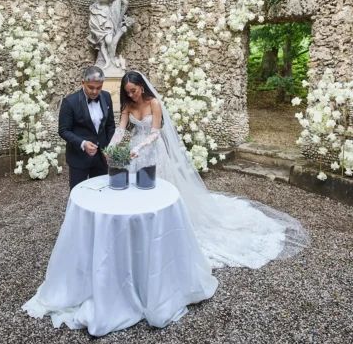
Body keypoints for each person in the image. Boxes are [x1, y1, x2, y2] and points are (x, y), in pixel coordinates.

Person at [108, 71, 310, 269]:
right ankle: (137, 229)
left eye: (134, 90)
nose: (132, 95)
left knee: (159, 188)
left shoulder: (154, 103)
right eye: (128, 92)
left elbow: (154, 134)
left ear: (141, 86)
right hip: (134, 152)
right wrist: (111, 146)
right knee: (136, 189)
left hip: (151, 151)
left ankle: (163, 227)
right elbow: (120, 129)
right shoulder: (128, 105)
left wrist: (139, 147)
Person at [58, 66, 116, 190]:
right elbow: (63, 130)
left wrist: (110, 147)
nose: (95, 91)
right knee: (79, 192)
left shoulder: (106, 97)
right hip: (79, 157)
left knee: (102, 191)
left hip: (101, 157)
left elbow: (110, 124)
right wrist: (83, 143)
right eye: (91, 87)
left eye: (99, 88)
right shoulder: (70, 102)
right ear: (83, 82)